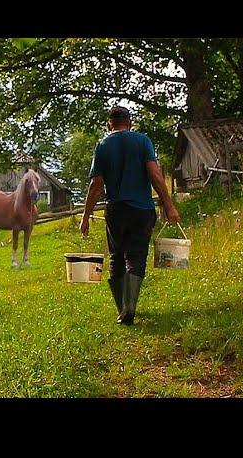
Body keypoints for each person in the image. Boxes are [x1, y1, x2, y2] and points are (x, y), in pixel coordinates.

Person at [79, 106, 180, 325]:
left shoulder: (103, 145)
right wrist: (169, 205)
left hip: (116, 210)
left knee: (116, 256)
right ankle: (130, 307)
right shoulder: (142, 141)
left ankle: (123, 310)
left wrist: (85, 217)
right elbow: (155, 174)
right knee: (136, 255)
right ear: (130, 122)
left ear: (109, 124)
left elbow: (96, 186)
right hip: (141, 209)